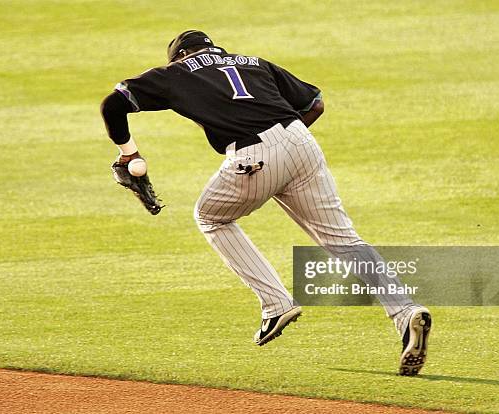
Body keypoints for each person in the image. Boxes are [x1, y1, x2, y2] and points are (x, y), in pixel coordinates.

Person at [100, 30, 432, 375]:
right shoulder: (252, 62)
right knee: (345, 241)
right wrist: (285, 146)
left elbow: (113, 104)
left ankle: (276, 304)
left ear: (181, 54)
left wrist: (130, 154)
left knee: (210, 217)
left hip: (254, 154)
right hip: (302, 142)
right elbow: (314, 102)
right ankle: (406, 312)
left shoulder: (176, 72)